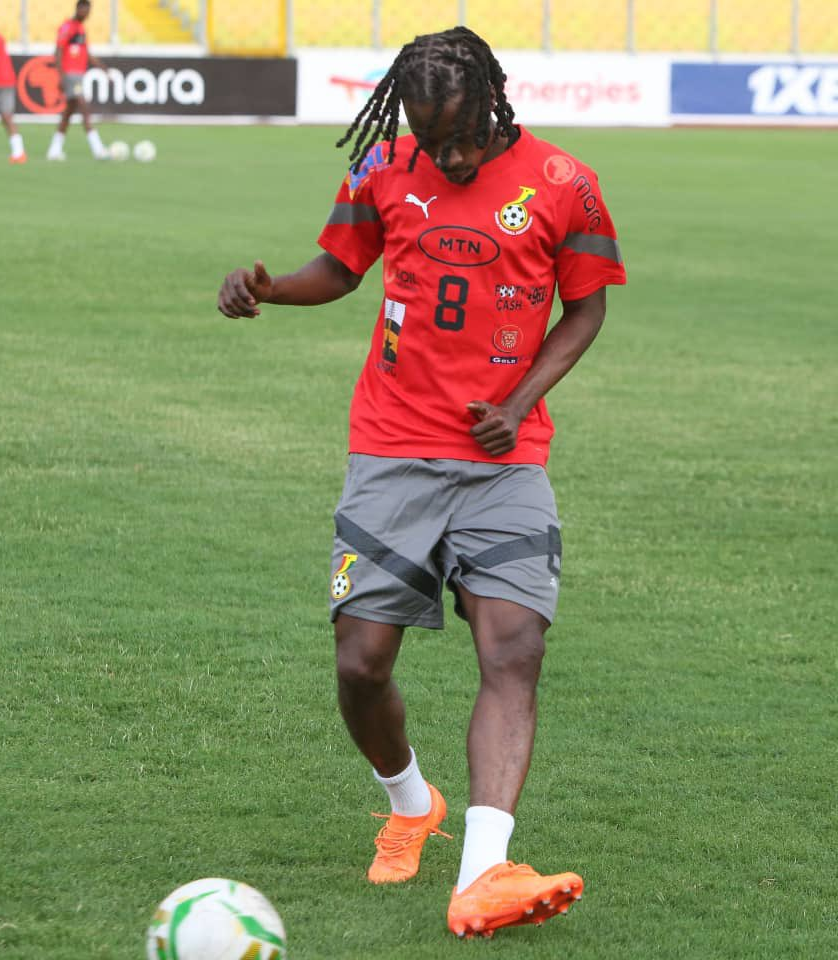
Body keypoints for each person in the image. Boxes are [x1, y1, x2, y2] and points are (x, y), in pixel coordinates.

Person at [218, 26, 626, 939]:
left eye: (463, 135)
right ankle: (409, 802)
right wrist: (270, 289)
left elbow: (586, 305)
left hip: (502, 462)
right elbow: (340, 268)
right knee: (362, 665)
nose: (448, 155)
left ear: (492, 100)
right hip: (392, 447)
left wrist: (520, 402)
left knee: (513, 648)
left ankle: (485, 871)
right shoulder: (382, 168)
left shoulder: (564, 183)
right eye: (431, 137)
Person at [47, 0, 107, 161]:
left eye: (89, 11)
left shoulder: (81, 29)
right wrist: (60, 76)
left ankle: (54, 149)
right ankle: (98, 149)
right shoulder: (67, 27)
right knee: (84, 107)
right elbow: (58, 51)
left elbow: (87, 53)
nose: (87, 14)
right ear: (78, 8)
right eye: (85, 10)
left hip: (78, 75)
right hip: (70, 75)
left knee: (68, 113)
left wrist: (103, 69)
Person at [0, 7, 26, 163]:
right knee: (7, 116)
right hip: (7, 80)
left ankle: (19, 152)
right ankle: (19, 152)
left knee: (7, 116)